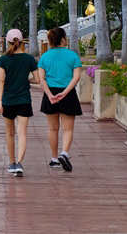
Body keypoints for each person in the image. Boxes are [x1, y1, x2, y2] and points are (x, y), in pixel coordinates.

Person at [38, 27, 83, 171]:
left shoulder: (44, 57)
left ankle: (54, 159)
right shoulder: (73, 56)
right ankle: (64, 152)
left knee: (52, 128)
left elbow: (41, 79)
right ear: (63, 39)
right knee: (67, 128)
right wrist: (64, 93)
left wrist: (50, 95)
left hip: (50, 93)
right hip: (67, 93)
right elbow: (76, 77)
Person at [0, 28, 40, 176]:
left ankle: (12, 163)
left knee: (10, 133)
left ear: (7, 42)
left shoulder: (3, 59)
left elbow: (1, 80)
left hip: (8, 100)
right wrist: (25, 79)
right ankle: (20, 163)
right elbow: (38, 79)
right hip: (24, 100)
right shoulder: (29, 59)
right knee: (22, 133)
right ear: (22, 41)